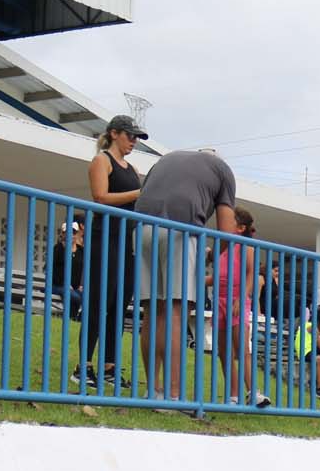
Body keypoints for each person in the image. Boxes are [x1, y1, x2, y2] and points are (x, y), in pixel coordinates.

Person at [134, 149, 239, 402]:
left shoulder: (167, 159)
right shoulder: (223, 171)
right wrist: (214, 256)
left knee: (151, 311)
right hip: (180, 230)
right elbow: (227, 231)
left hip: (140, 227)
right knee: (175, 312)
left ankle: (153, 389)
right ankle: (173, 393)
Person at [85, 114, 145, 392]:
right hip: (104, 238)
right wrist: (136, 194)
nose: (133, 141)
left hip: (127, 241)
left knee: (119, 306)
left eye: (136, 138)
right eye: (129, 136)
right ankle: (83, 365)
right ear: (114, 134)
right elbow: (100, 197)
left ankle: (109, 366)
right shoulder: (102, 161)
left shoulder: (131, 168)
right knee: (100, 302)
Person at [209, 207, 271, 407]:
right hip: (219, 300)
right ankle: (233, 395)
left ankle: (254, 392)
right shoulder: (222, 246)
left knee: (242, 348)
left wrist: (241, 297)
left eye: (230, 220)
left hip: (237, 300)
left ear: (240, 228)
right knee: (224, 351)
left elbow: (252, 274)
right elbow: (219, 276)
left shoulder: (246, 247)